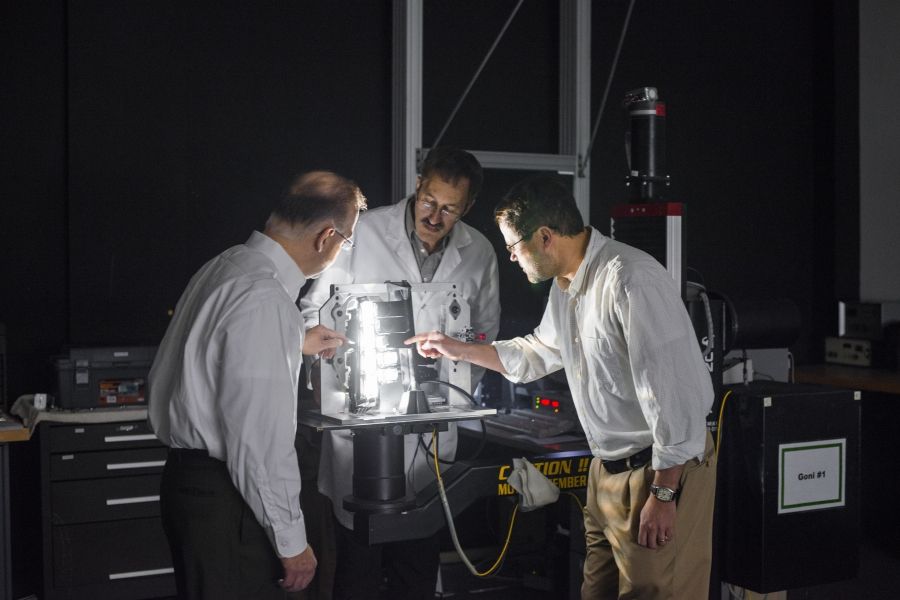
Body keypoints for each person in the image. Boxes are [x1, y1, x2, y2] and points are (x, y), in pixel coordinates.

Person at [406, 174, 716, 600]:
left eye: (514, 247)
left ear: (545, 237)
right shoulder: (566, 287)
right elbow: (538, 351)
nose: (512, 259)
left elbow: (674, 394)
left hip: (660, 472)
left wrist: (664, 493)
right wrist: (456, 349)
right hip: (607, 470)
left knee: (659, 592)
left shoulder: (631, 280)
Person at [148, 171, 367, 599]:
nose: (341, 250)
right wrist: (292, 542)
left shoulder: (226, 265)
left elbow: (203, 359)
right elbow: (258, 442)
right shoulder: (265, 298)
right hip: (229, 502)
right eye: (346, 240)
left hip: (190, 488)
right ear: (326, 237)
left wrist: (291, 343)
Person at [299, 147, 500, 599]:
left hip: (431, 431)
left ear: (466, 208)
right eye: (429, 200)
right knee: (359, 566)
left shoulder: (479, 253)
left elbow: (484, 333)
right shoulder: (364, 232)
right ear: (418, 186)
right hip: (361, 429)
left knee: (418, 561)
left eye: (449, 208)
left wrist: (459, 354)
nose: (434, 215)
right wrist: (328, 366)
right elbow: (314, 308)